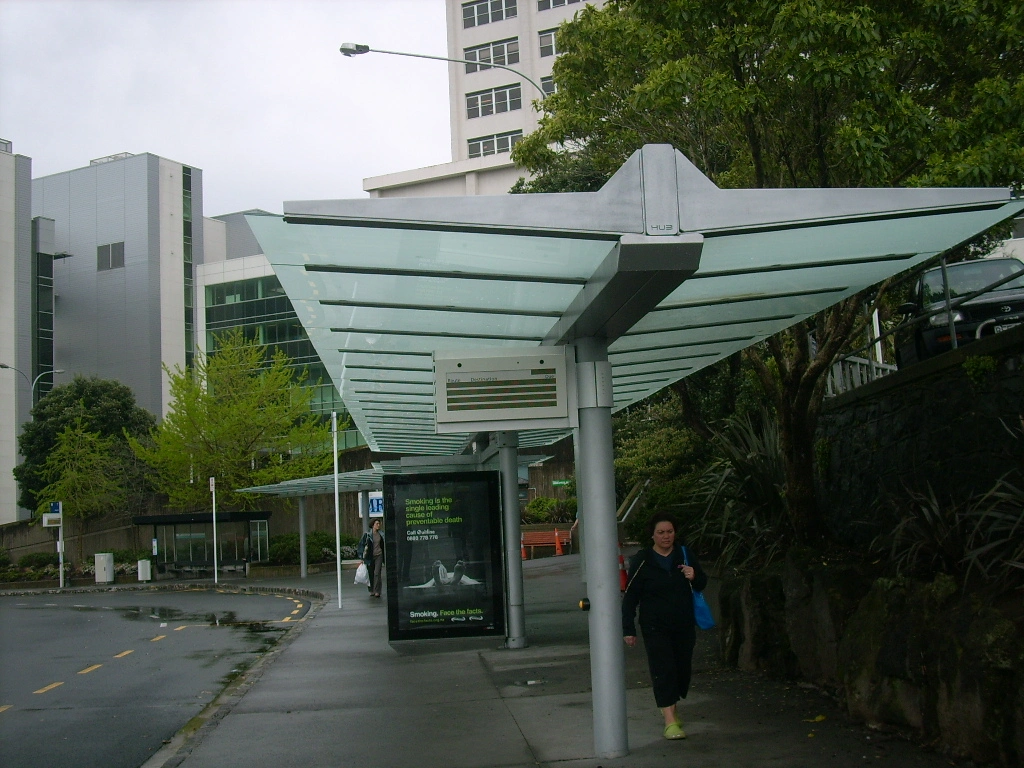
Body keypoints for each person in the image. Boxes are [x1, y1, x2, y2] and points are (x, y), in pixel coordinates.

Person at [621, 510, 708, 740]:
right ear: (652, 535)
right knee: (663, 670)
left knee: (681, 671)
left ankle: (671, 707)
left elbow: (702, 582)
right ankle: (670, 721)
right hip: (654, 626)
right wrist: (628, 629)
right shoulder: (643, 560)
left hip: (683, 624)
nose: (666, 536)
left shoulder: (685, 555)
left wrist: (693, 576)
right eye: (660, 532)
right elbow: (630, 596)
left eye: (669, 532)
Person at [358, 518, 385, 598]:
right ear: (373, 525)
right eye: (377, 524)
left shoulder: (381, 534)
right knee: (370, 573)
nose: (378, 525)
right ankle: (371, 589)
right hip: (370, 556)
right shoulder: (367, 535)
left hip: (379, 555)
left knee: (377, 573)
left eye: (379, 524)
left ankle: (377, 591)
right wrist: (361, 557)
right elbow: (361, 545)